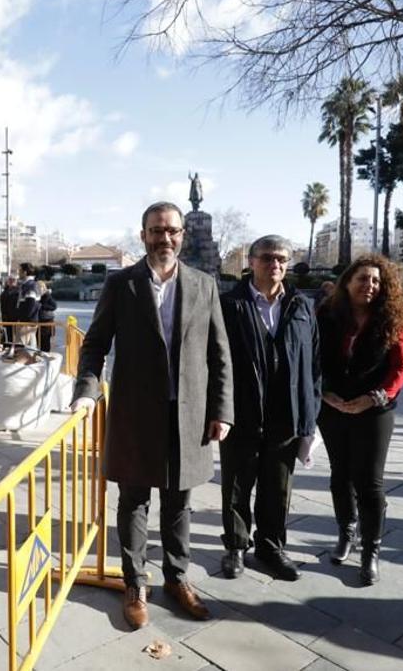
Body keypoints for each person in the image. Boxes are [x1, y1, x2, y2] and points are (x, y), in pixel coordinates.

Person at [70, 201, 233, 629]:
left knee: (180, 502)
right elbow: (95, 344)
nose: (166, 238)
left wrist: (222, 410)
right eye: (157, 231)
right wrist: (87, 392)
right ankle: (135, 584)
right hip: (134, 413)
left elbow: (220, 354)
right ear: (142, 235)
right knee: (134, 501)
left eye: (172, 231)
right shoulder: (121, 284)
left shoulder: (204, 284)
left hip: (189, 414)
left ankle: (178, 580)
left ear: (181, 234)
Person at [216, 236, 319, 582]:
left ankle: (271, 546)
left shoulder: (302, 305)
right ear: (252, 261)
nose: (275, 265)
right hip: (241, 411)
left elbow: (313, 362)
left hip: (286, 414)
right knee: (236, 484)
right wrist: (219, 409)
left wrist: (309, 412)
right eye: (267, 258)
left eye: (281, 259)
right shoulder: (229, 304)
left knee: (278, 487)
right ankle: (234, 546)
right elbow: (214, 360)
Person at [316, 254, 403, 586]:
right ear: (347, 282)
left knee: (369, 482)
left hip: (374, 410)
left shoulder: (391, 320)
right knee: (339, 475)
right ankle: (346, 530)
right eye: (362, 279)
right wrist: (325, 393)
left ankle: (370, 549)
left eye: (375, 280)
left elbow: (402, 367)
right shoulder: (327, 315)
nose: (368, 286)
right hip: (332, 407)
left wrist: (375, 397)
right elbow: (312, 359)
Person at [36, 280, 57, 353]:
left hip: (47, 322)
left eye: (40, 287)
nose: (39, 289)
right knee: (39, 342)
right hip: (40, 322)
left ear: (44, 288)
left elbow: (54, 306)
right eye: (37, 287)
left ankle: (45, 356)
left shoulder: (47, 295)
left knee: (45, 343)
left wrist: (42, 306)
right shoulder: (37, 296)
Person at [0, 275, 20, 344]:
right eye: (10, 280)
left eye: (13, 280)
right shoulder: (4, 291)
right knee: (7, 337)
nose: (12, 281)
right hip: (6, 317)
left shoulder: (19, 291)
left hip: (15, 318)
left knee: (15, 338)